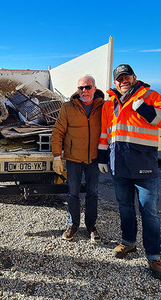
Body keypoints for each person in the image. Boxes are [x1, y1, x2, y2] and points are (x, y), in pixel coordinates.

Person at [98, 64, 161, 280]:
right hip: (118, 165)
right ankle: (128, 243)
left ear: (134, 77)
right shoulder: (109, 103)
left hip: (144, 164)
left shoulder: (150, 95)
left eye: (126, 76)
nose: (123, 81)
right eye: (119, 78)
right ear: (114, 82)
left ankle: (154, 256)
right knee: (125, 208)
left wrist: (145, 109)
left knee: (149, 212)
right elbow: (105, 131)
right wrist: (102, 157)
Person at [51, 75, 104, 242]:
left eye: (88, 87)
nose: (84, 91)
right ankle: (73, 225)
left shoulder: (103, 107)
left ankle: (91, 226)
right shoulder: (68, 107)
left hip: (94, 158)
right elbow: (57, 132)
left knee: (92, 193)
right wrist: (56, 156)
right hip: (73, 158)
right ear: (77, 89)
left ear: (95, 88)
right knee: (73, 193)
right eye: (81, 88)